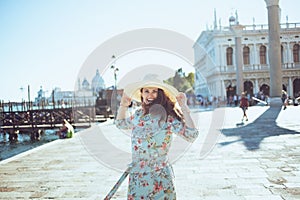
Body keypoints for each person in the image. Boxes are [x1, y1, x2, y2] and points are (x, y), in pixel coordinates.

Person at [115, 74, 199, 199]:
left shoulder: (167, 117)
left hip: (160, 178)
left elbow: (191, 135)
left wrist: (184, 107)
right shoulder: (138, 115)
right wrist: (123, 106)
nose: (150, 95)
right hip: (138, 179)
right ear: (142, 94)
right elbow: (120, 124)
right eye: (147, 91)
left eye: (154, 91)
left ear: (160, 94)